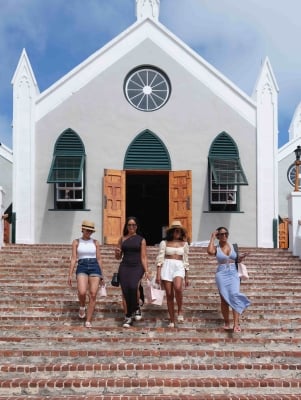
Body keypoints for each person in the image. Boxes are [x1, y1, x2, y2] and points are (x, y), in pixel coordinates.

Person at [207, 227, 251, 333]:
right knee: (224, 299)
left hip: (233, 273)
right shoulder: (216, 248)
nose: (224, 236)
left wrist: (241, 257)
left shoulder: (233, 246)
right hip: (222, 273)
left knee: (235, 295)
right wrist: (212, 238)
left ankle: (236, 323)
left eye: (226, 233)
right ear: (218, 236)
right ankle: (227, 322)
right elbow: (209, 252)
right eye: (221, 234)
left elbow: (237, 259)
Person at [67, 220, 103, 328]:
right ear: (82, 229)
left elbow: (99, 258)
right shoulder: (76, 242)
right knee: (82, 292)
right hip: (82, 265)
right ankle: (82, 305)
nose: (89, 232)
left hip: (94, 266)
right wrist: (70, 274)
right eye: (87, 230)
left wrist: (102, 274)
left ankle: (88, 320)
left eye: (91, 231)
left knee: (93, 294)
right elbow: (74, 258)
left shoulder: (95, 242)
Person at [115, 216, 149, 328]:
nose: (131, 227)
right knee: (125, 292)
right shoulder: (122, 239)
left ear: (136, 226)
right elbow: (117, 257)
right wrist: (117, 252)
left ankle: (137, 307)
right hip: (125, 266)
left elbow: (143, 257)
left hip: (137, 266)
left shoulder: (141, 239)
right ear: (126, 226)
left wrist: (146, 270)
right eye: (129, 225)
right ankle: (128, 317)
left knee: (134, 287)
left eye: (133, 225)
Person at [155, 221, 189, 328]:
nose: (177, 232)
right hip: (167, 266)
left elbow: (186, 260)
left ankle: (180, 310)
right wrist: (158, 274)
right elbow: (160, 258)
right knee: (169, 294)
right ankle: (172, 320)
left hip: (179, 266)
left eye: (178, 230)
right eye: (175, 230)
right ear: (171, 232)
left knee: (178, 287)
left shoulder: (185, 244)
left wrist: (187, 276)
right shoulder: (164, 243)